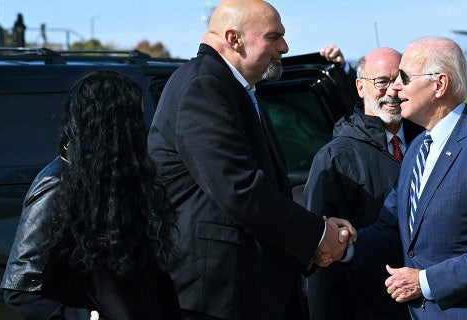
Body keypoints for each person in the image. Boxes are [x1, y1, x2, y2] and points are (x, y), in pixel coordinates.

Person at [146, 1, 355, 319]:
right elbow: (240, 189)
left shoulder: (236, 88)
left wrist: (314, 237)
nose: (284, 47)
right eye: (274, 37)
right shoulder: (204, 85)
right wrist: (317, 235)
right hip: (219, 299)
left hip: (246, 289)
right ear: (233, 38)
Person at [322, 36, 467, 319]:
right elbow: (390, 228)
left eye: (404, 77)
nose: (395, 87)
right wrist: (341, 246)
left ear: (439, 85)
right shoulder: (418, 147)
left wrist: (425, 282)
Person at [0, 70, 181, 319]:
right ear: (113, 128)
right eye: (135, 120)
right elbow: (20, 290)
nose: (143, 128)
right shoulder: (55, 186)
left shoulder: (121, 178)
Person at [305, 47, 418, 320]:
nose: (393, 90)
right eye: (381, 81)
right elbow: (324, 257)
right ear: (360, 86)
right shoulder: (336, 158)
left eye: (400, 80)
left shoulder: (429, 142)